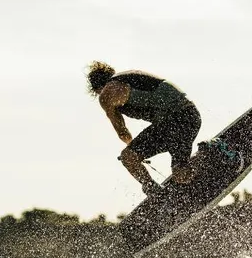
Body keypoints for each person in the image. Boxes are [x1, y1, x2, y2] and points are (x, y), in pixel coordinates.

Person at [85, 61, 202, 194]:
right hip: (189, 117)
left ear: (96, 90)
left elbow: (123, 133)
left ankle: (156, 194)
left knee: (129, 157)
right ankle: (207, 159)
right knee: (181, 174)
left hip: (174, 121)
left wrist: (136, 152)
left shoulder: (107, 93)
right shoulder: (128, 77)